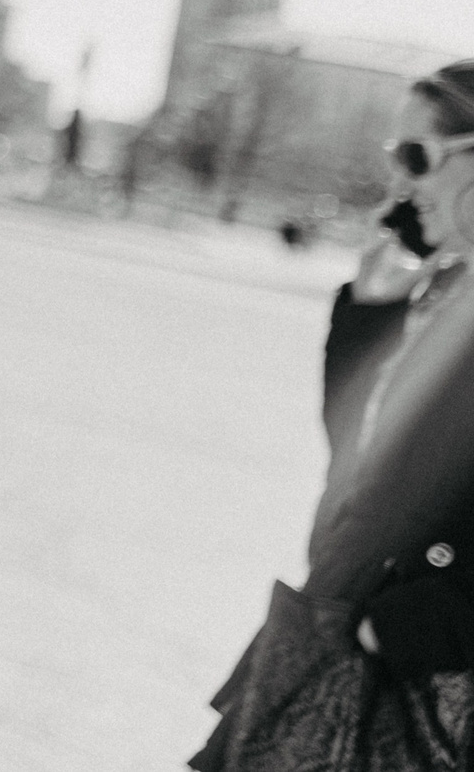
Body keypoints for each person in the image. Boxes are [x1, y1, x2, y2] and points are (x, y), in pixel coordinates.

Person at [193, 61, 474, 768]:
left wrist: (432, 619)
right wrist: (373, 308)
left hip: (419, 672)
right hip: (343, 621)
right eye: (393, 157)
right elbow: (357, 454)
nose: (401, 182)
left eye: (418, 157)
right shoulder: (449, 292)